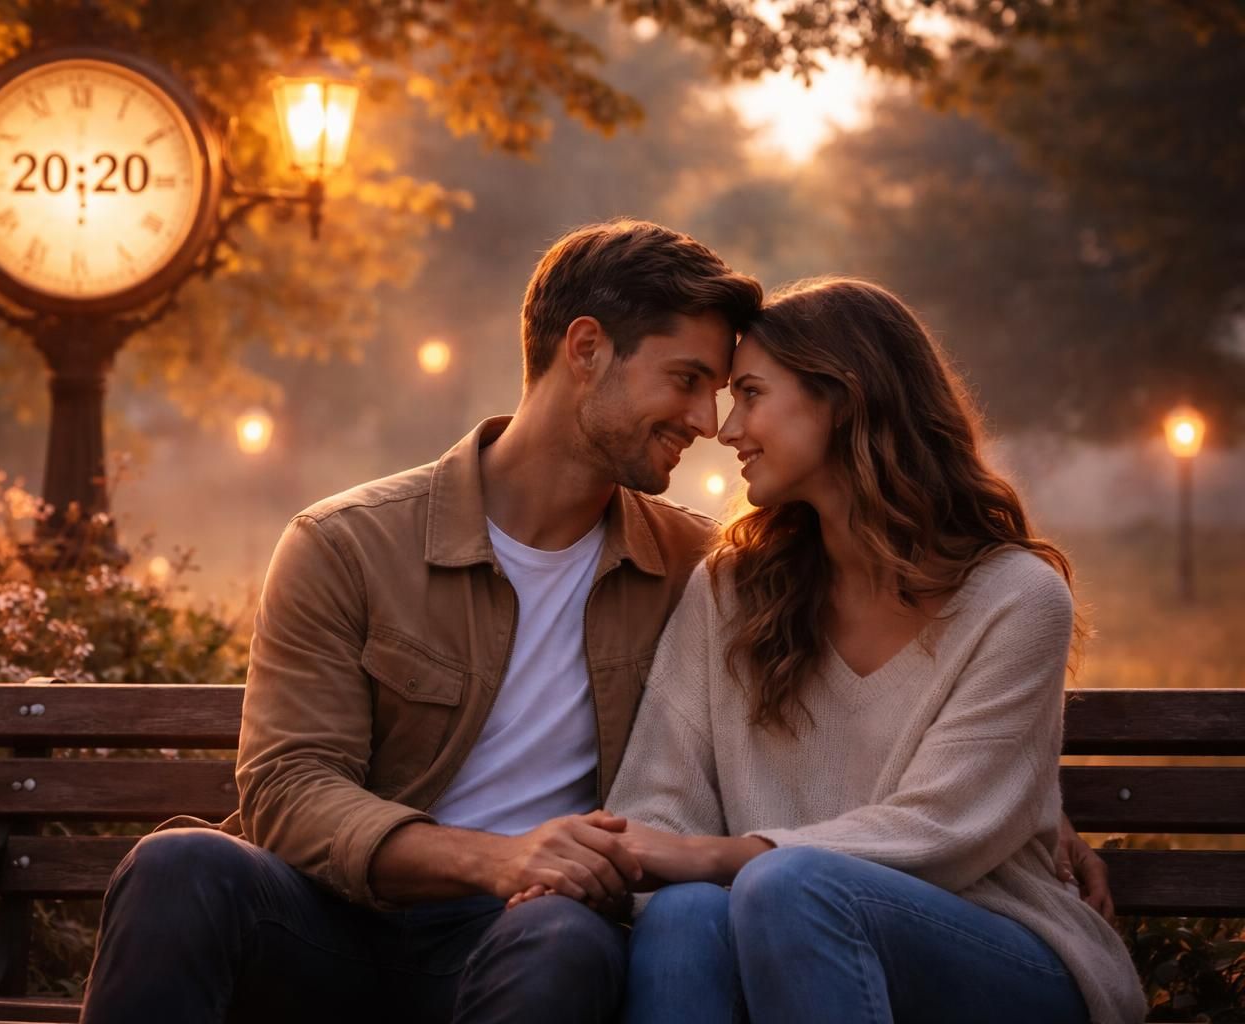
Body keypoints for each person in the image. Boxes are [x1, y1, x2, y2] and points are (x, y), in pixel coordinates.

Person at [78, 227, 1113, 1023]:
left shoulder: (697, 561)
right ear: (586, 351)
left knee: (573, 943)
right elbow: (288, 790)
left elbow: (928, 776)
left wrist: (1015, 804)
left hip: (535, 934)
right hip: (348, 916)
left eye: (735, 390)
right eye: (693, 381)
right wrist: (494, 857)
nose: (712, 423)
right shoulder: (348, 545)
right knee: (181, 865)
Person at [592, 278, 1146, 1023]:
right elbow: (659, 798)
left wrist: (726, 857)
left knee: (787, 887)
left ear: (843, 397)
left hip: (1003, 954)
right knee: (685, 916)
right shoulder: (732, 590)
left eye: (751, 394)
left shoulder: (1015, 598)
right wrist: (661, 859)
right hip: (785, 937)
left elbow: (943, 829)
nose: (728, 430)